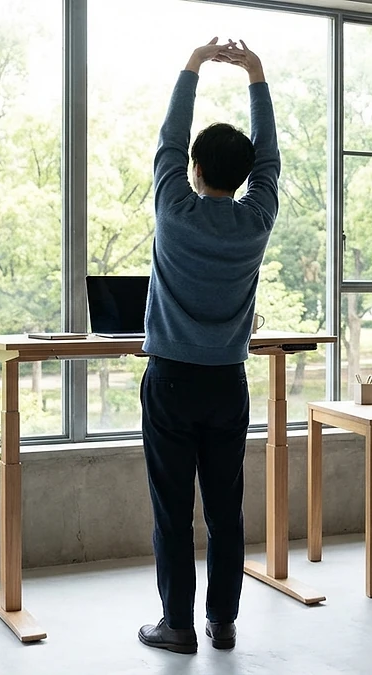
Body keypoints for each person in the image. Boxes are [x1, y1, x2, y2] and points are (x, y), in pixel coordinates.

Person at [136, 37, 279, 655]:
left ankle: (177, 626)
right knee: (226, 509)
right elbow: (269, 158)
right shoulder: (257, 218)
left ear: (192, 169)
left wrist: (193, 64)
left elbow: (169, 136)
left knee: (174, 512)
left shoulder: (173, 209)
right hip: (228, 383)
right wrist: (256, 75)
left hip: (170, 381)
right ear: (245, 175)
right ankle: (223, 622)